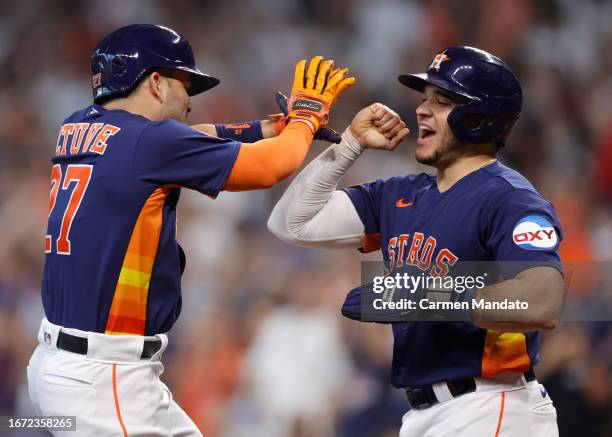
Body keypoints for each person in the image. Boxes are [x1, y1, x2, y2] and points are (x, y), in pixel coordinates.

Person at [26, 23, 364, 436]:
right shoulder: (149, 144)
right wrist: (306, 120)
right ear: (154, 82)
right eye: (184, 84)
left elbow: (188, 138)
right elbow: (271, 167)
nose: (189, 100)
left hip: (66, 364)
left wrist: (272, 128)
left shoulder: (76, 126)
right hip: (103, 376)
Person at [268, 46, 565, 436]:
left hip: (492, 406)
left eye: (441, 102)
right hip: (426, 414)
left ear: (480, 118)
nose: (422, 110)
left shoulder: (510, 198)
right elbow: (291, 224)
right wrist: (349, 145)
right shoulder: (399, 195)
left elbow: (540, 301)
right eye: (424, 99)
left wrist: (423, 296)